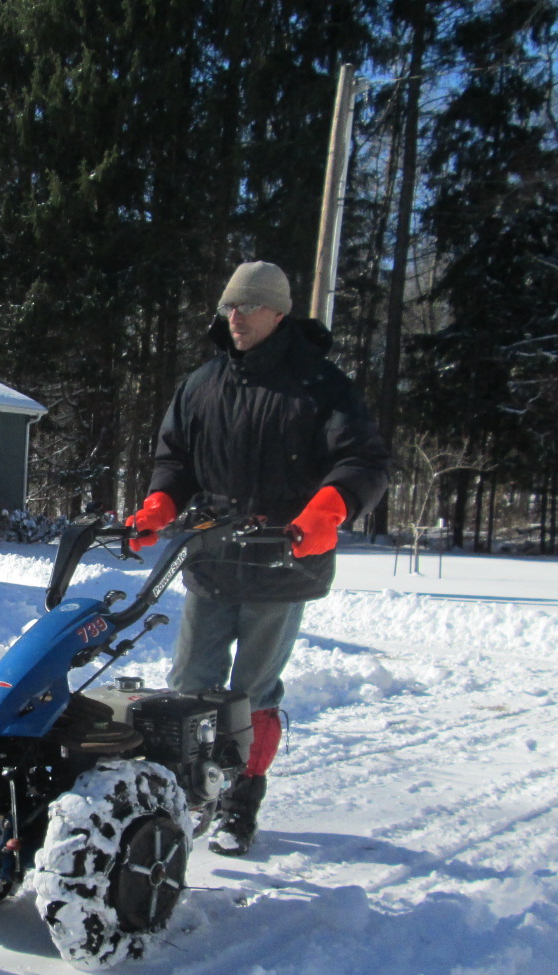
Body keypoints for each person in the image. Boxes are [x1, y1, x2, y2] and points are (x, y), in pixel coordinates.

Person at [126, 261, 389, 856]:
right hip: (211, 557)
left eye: (247, 307)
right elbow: (175, 457)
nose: (235, 318)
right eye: (229, 308)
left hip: (282, 558)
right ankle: (189, 791)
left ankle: (239, 804)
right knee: (189, 683)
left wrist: (330, 505)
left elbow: (363, 460)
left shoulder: (322, 386)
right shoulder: (203, 384)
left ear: (278, 312)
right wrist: (161, 501)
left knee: (252, 691)